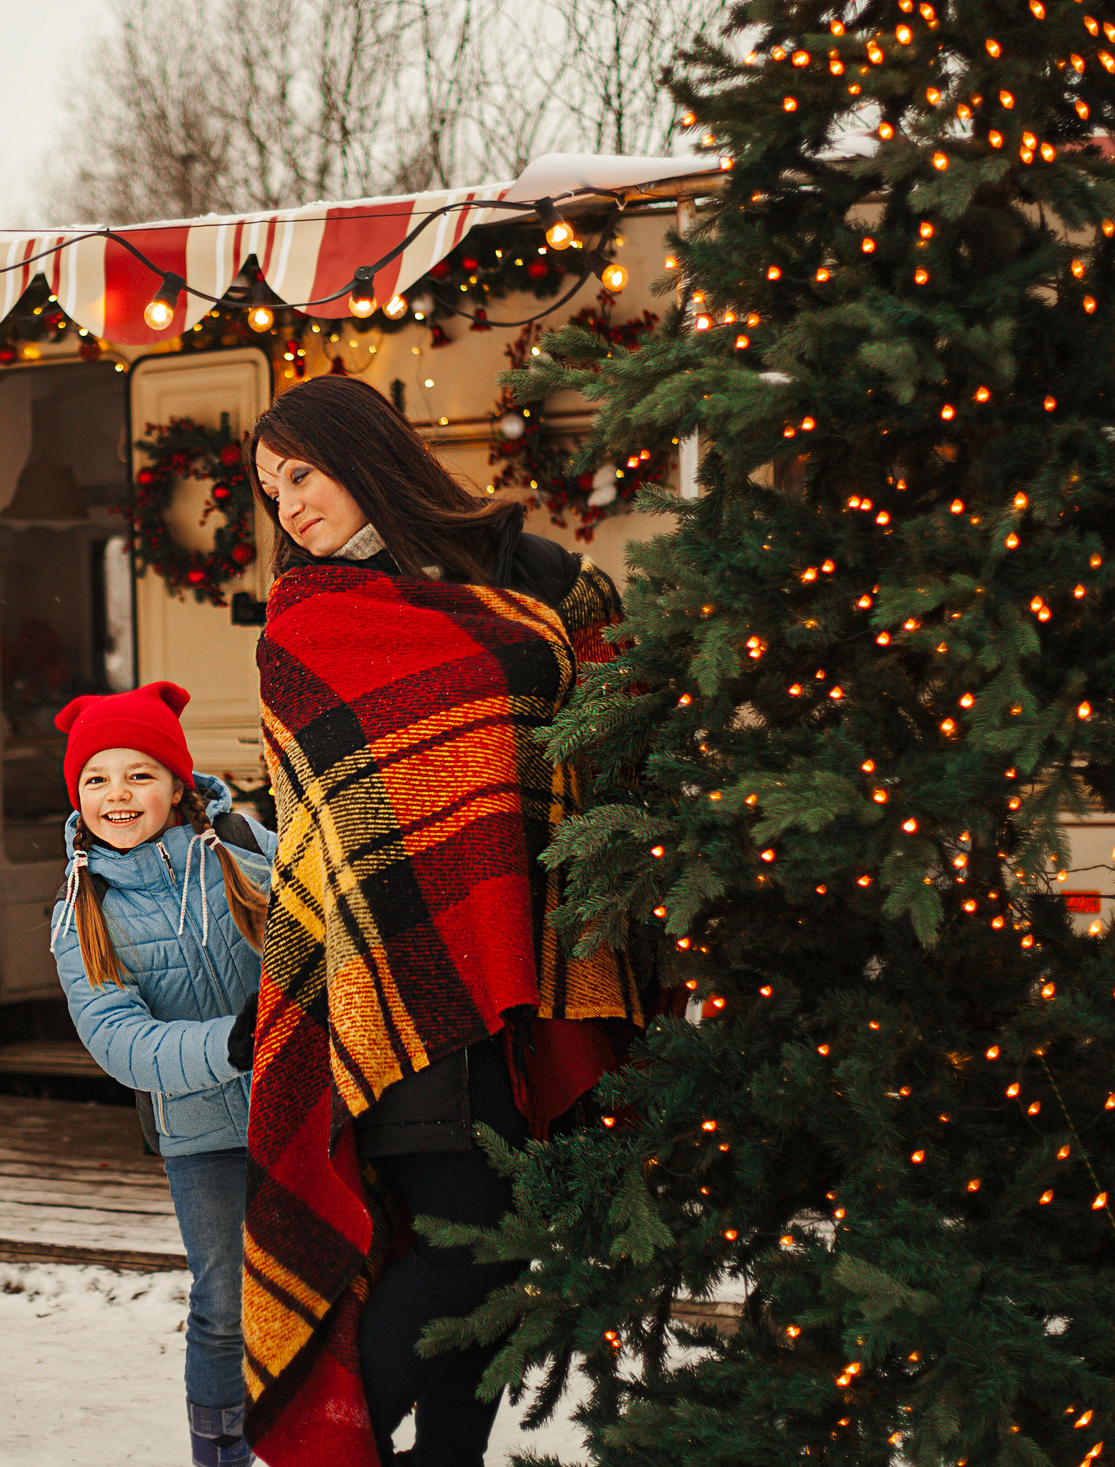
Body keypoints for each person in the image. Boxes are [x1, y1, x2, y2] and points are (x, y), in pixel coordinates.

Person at [237, 375, 640, 1467]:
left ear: (366, 457)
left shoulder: (527, 572)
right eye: (271, 491)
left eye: (301, 475)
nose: (288, 507)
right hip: (397, 972)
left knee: (499, 1252)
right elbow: (334, 824)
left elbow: (610, 714)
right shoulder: (307, 629)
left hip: (536, 956)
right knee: (476, 1244)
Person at [48, 680, 276, 1467]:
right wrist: (229, 1045)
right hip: (202, 1134)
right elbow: (119, 1040)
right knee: (223, 1303)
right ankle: (220, 1455)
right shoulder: (85, 908)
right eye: (97, 779)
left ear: (178, 782)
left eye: (140, 773)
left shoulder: (244, 849)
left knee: (333, 1273)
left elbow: (325, 928)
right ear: (79, 796)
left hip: (304, 1108)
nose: (119, 794)